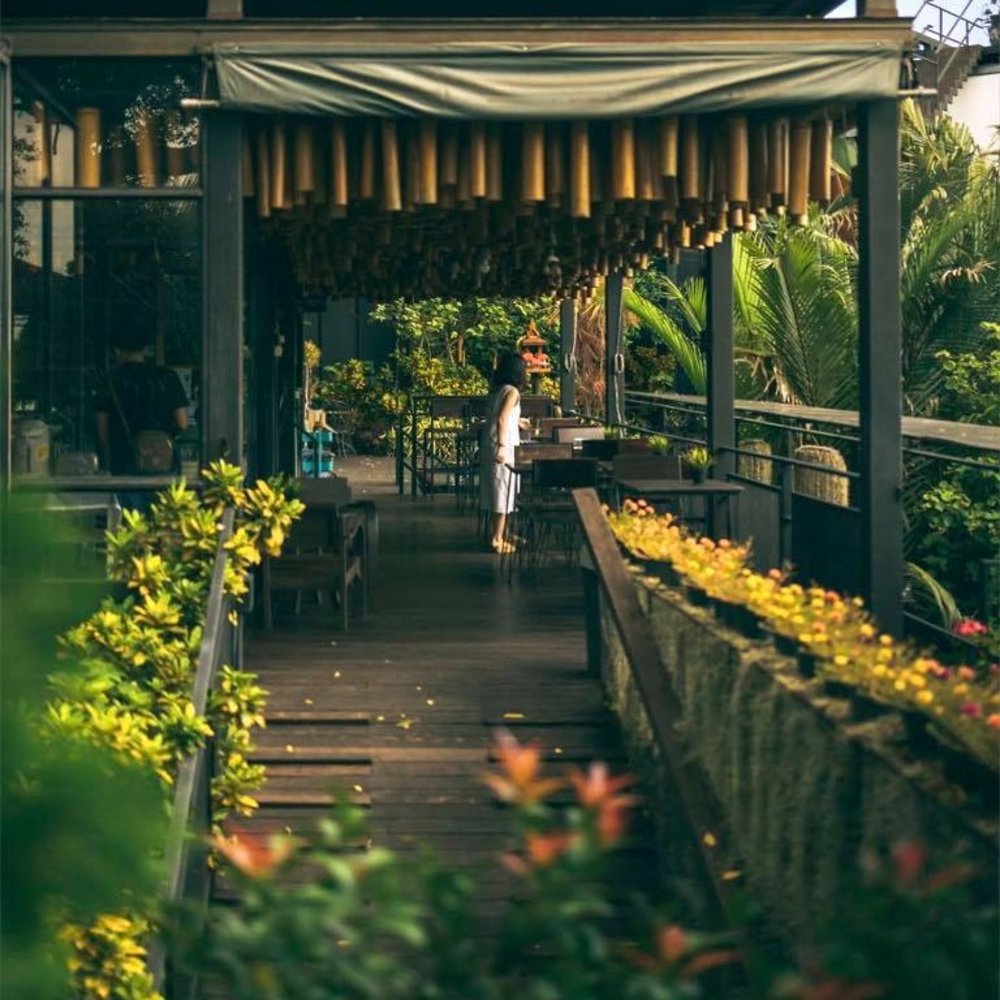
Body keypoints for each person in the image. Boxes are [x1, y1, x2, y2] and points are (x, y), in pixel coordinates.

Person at [93, 327, 189, 503]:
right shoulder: (167, 377)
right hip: (164, 463)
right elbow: (182, 422)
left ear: (117, 350)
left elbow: (102, 431)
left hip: (125, 464)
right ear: (145, 349)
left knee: (130, 520)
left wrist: (106, 462)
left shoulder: (109, 380)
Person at [480, 352, 526, 554]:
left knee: (496, 490)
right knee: (503, 490)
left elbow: (497, 416)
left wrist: (518, 422)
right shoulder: (513, 392)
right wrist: (501, 446)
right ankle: (496, 539)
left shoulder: (496, 389)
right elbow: (501, 419)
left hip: (489, 443)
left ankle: (500, 533)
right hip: (501, 445)